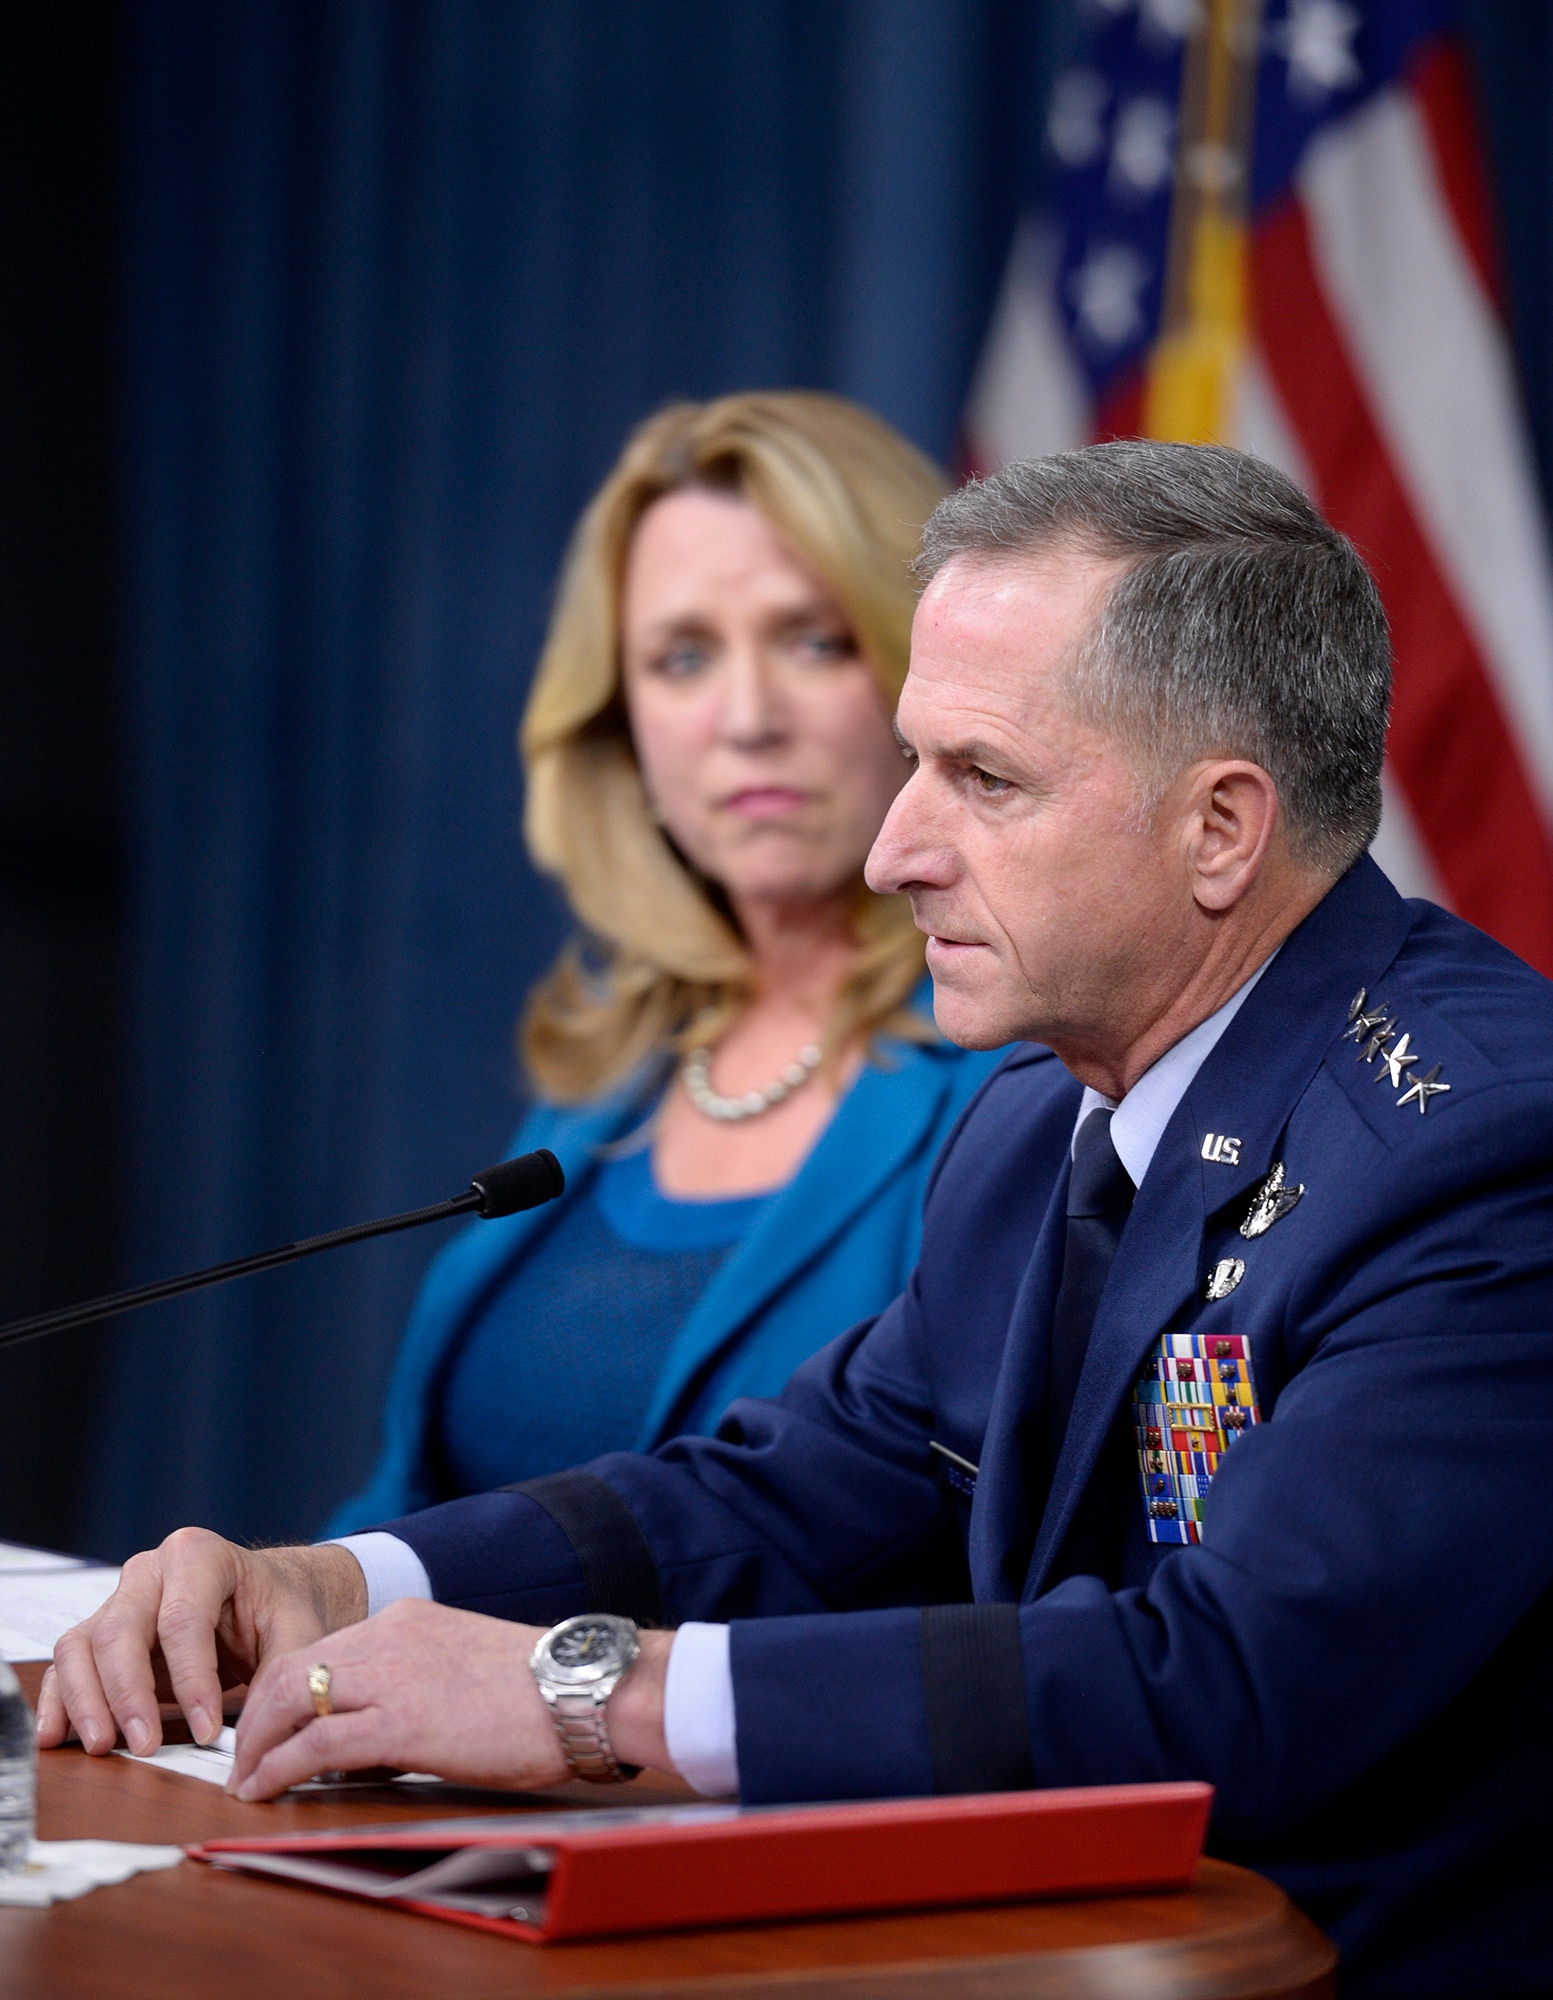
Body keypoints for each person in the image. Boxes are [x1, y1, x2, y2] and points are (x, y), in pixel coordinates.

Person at [44, 444, 1553, 2000]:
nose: (893, 849)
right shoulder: (1043, 1113)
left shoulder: (1485, 1148)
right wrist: (345, 1583)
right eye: (911, 763)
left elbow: (1229, 1686)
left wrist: (588, 1696)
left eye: (984, 780)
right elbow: (787, 1492)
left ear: (1220, 830)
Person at [326, 392, 1004, 1531]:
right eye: (682, 656)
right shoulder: (617, 1060)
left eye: (814, 639)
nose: (746, 715)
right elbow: (408, 1497)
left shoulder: (1020, 1069)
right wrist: (271, 1612)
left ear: (921, 679)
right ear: (622, 730)